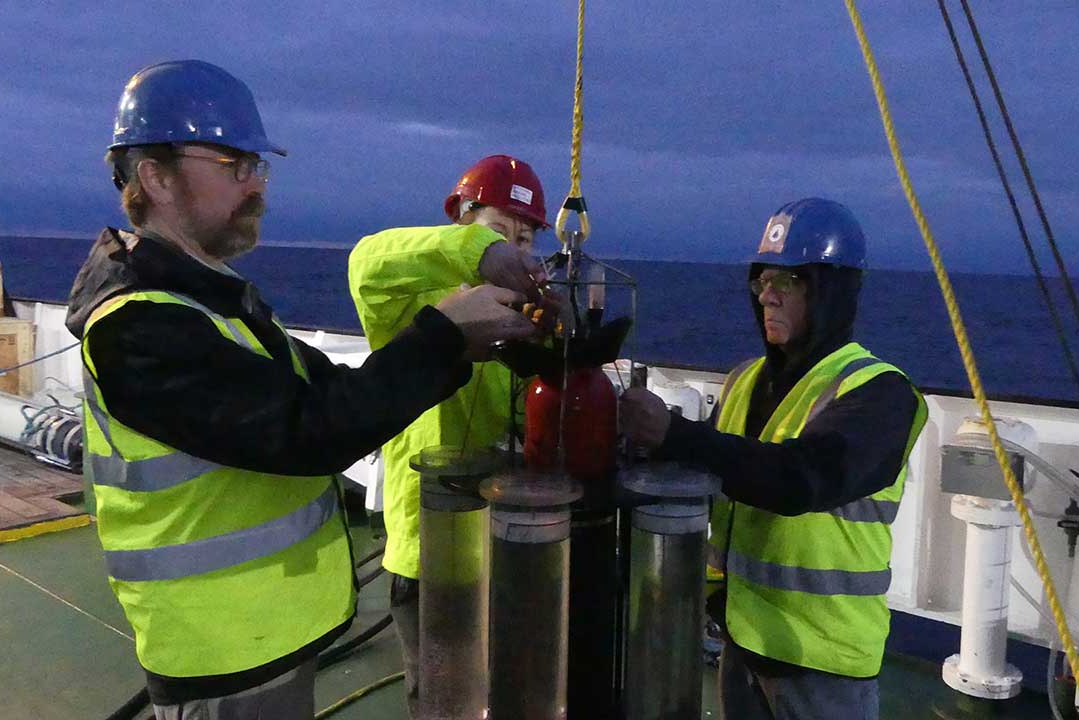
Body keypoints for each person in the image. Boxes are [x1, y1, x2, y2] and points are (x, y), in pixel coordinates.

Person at [67, 61, 539, 720]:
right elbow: (313, 430)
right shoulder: (140, 326)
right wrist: (442, 334)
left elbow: (336, 394)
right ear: (156, 175)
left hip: (265, 638)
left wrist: (455, 346)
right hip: (223, 653)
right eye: (236, 163)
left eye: (259, 166)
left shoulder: (219, 307)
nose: (257, 183)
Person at [619, 198, 928, 719]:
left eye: (788, 281)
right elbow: (714, 478)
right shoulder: (742, 381)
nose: (767, 293)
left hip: (824, 662)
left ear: (830, 292)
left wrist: (672, 433)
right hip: (742, 643)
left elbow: (797, 480)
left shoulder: (880, 394)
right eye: (762, 278)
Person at [347, 154, 552, 716]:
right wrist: (477, 256)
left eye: (526, 238)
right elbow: (366, 262)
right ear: (460, 220)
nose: (515, 248)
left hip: (514, 546)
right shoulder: (410, 309)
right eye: (497, 231)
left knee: (520, 691)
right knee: (448, 702)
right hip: (433, 553)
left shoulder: (522, 321)